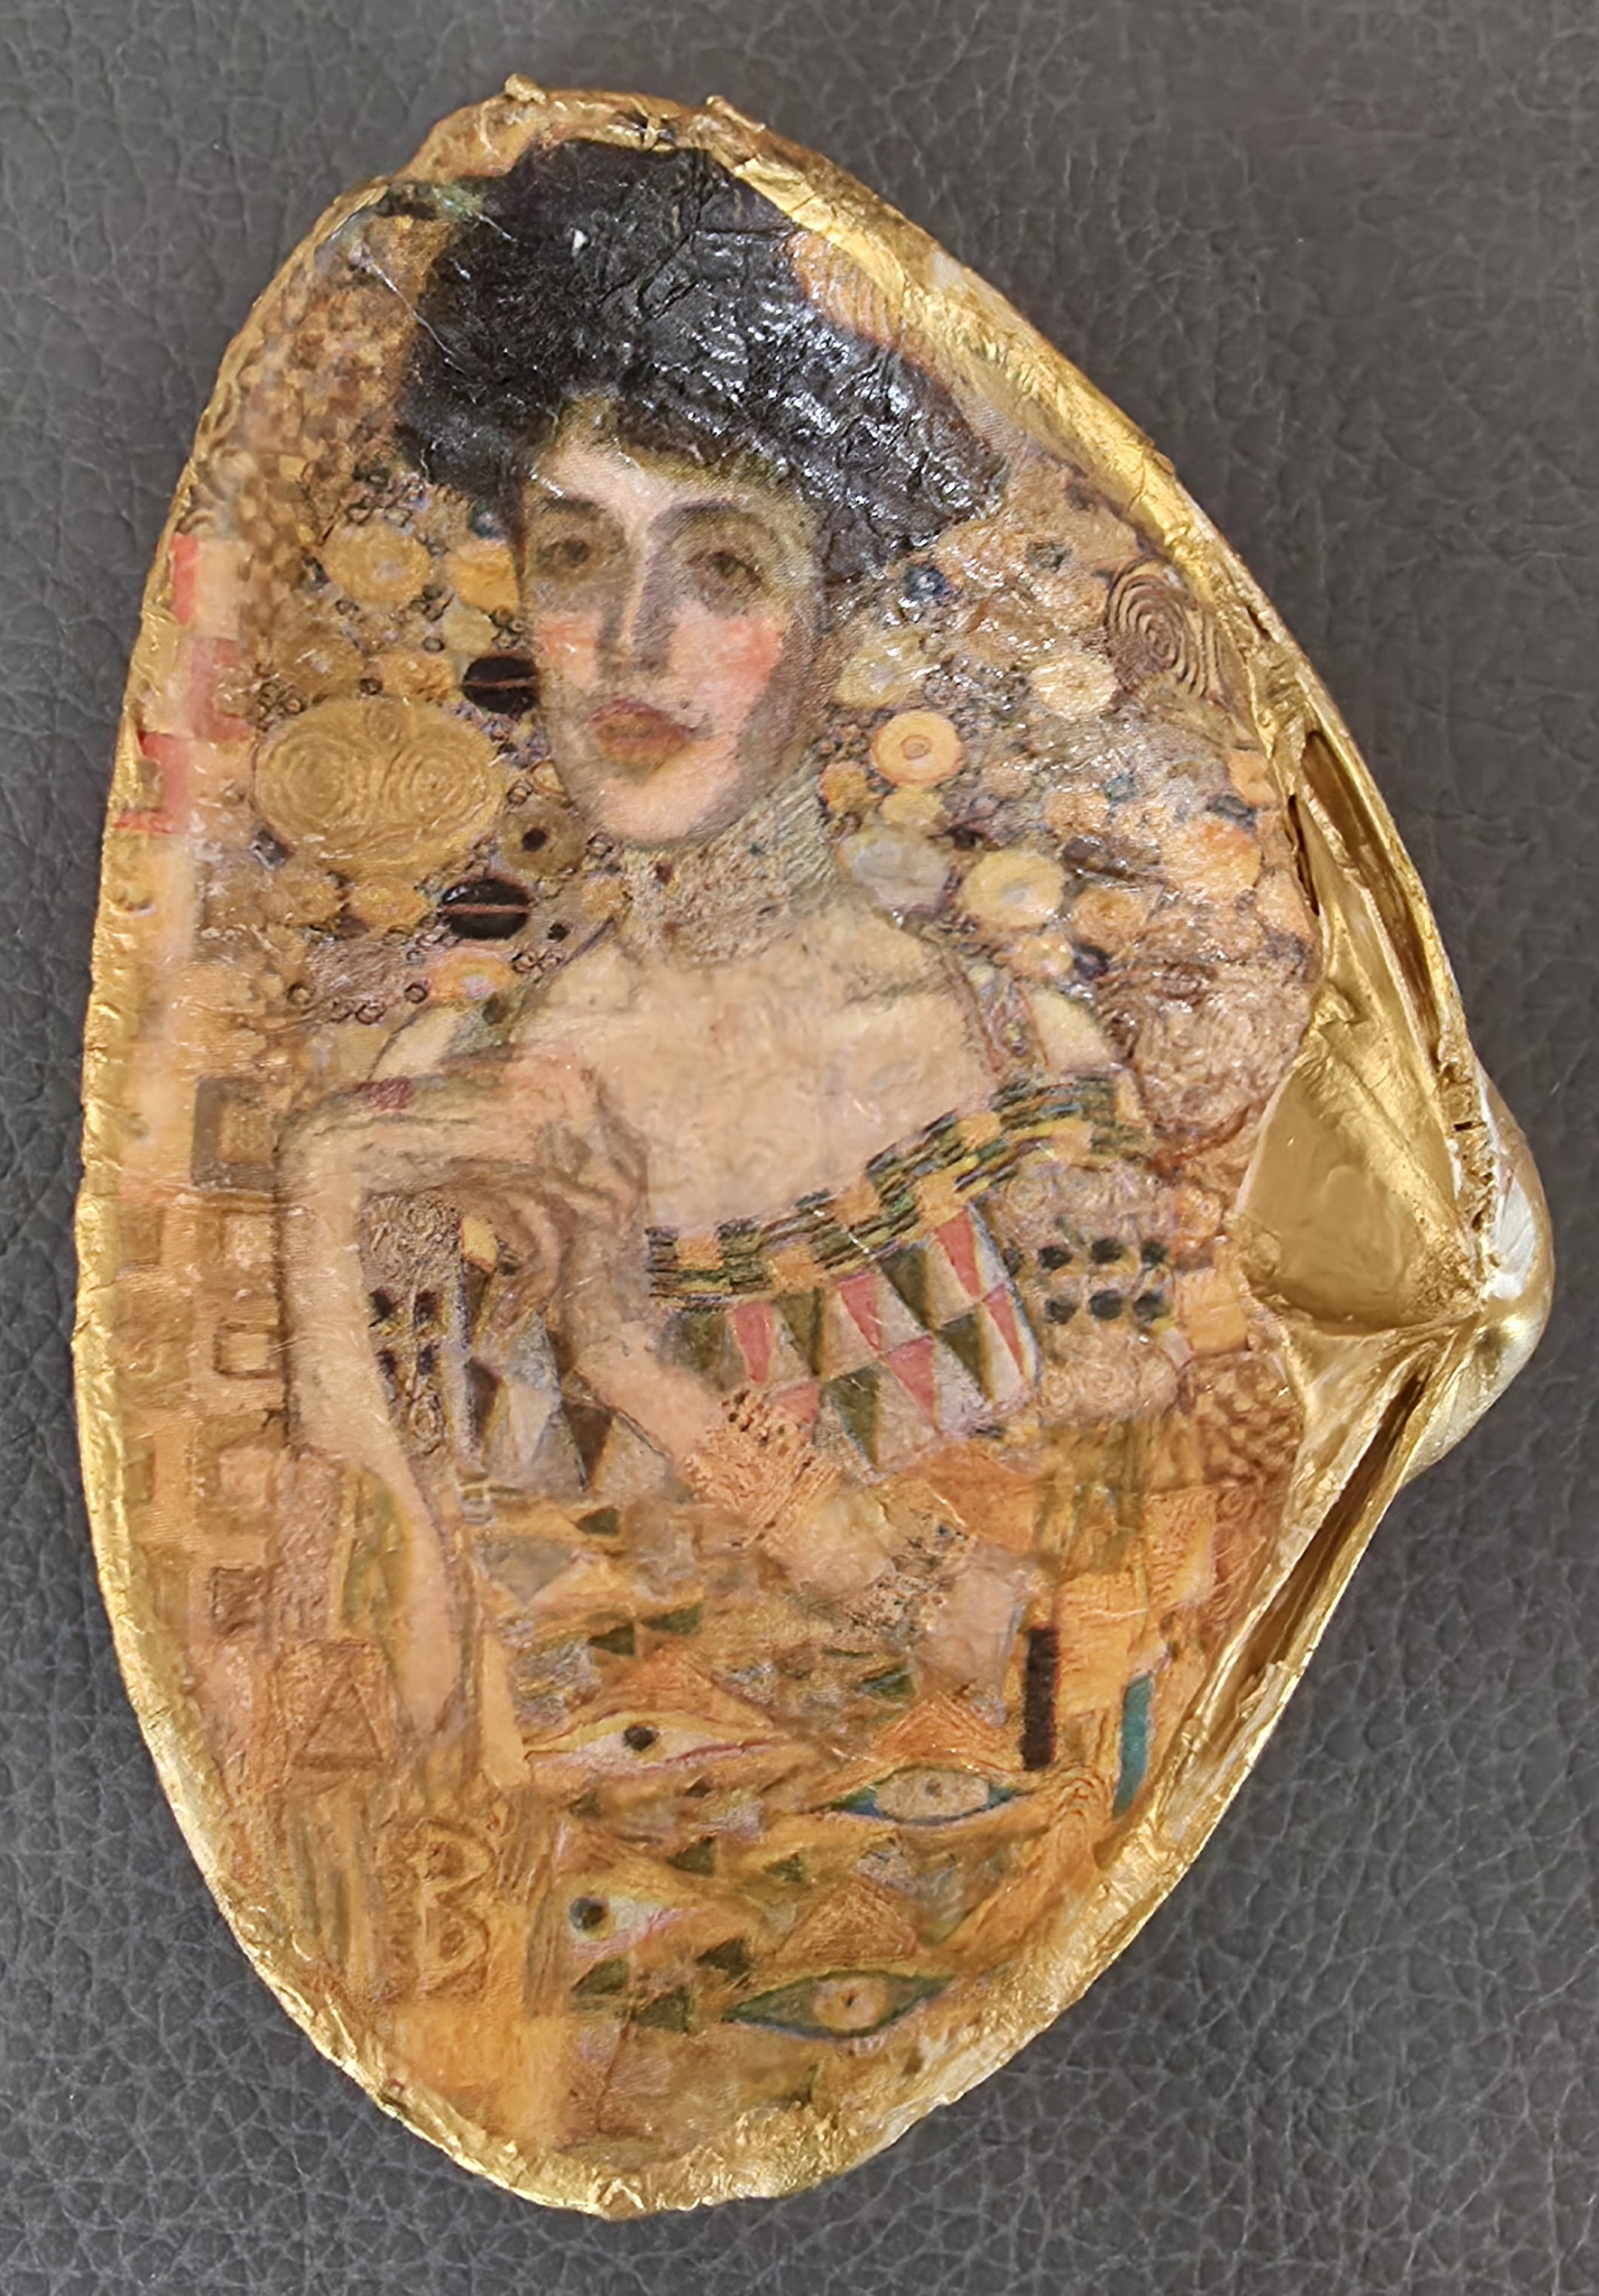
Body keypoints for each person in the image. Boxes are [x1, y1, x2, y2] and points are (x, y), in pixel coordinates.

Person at [277, 140, 1307, 2089]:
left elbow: (1116, 1704)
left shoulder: (1019, 1073)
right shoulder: (430, 1111)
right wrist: (328, 1240)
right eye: (575, 555)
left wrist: (640, 1375)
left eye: (725, 565)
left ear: (843, 625)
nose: (634, 644)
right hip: (553, 2016)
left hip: (986, 2007)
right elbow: (366, 1765)